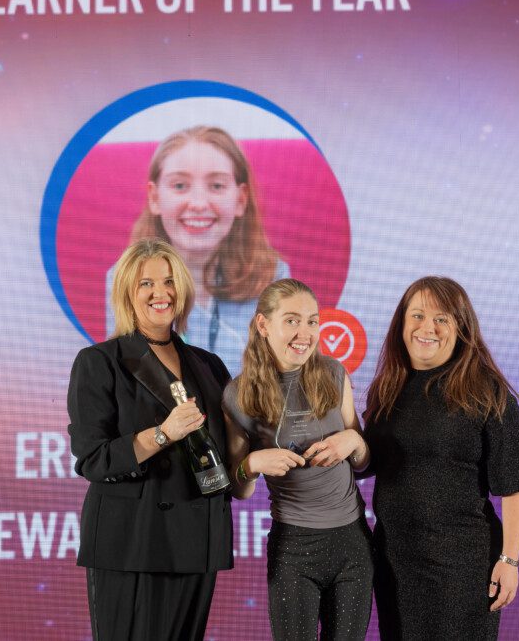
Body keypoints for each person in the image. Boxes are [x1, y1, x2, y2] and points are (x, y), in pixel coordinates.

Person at [68, 238, 233, 641]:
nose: (161, 293)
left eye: (169, 281)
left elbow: (230, 445)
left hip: (198, 539)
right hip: (133, 543)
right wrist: (163, 434)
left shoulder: (209, 365)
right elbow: (93, 459)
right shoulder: (99, 362)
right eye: (146, 284)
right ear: (127, 293)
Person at [363, 276, 519, 641]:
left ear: (461, 327)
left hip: (462, 566)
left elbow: (516, 483)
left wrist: (509, 560)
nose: (428, 328)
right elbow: (369, 462)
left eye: (442, 318)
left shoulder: (486, 391)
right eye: (418, 316)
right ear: (402, 323)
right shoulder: (388, 386)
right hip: (395, 561)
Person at [222, 278, 373, 641]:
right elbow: (238, 488)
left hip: (352, 541)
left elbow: (365, 464)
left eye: (312, 321)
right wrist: (253, 464)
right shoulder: (237, 395)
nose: (304, 332)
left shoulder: (335, 375)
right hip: (293, 547)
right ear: (263, 325)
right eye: (291, 320)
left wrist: (353, 440)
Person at [106, 125, 289, 376]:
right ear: (155, 197)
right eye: (180, 186)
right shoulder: (123, 277)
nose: (199, 204)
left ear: (241, 200)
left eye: (216, 186)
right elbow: (126, 377)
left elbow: (280, 378)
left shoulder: (274, 276)